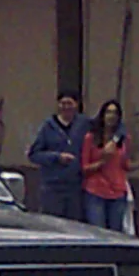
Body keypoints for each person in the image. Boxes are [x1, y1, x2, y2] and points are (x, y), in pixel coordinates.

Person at [27, 90, 87, 220]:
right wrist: (56, 157)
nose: (66, 107)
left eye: (69, 103)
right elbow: (34, 154)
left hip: (75, 188)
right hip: (52, 188)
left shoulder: (83, 124)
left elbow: (109, 123)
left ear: (76, 105)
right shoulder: (48, 127)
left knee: (75, 227)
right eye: (62, 103)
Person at [79, 99, 134, 232]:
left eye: (115, 113)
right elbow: (85, 168)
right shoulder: (91, 137)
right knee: (98, 231)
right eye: (108, 112)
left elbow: (125, 165)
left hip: (117, 192)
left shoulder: (124, 139)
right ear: (102, 115)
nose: (111, 116)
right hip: (95, 191)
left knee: (116, 232)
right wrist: (102, 161)